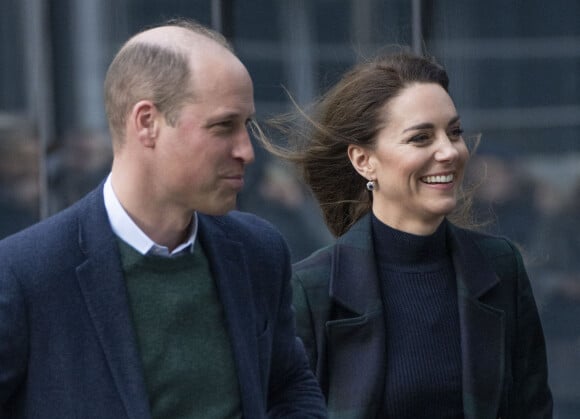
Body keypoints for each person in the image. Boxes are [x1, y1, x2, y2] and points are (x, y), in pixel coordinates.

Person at [0, 19, 327, 418]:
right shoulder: (26, 273)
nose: (246, 150)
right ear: (147, 123)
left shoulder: (258, 250)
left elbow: (290, 387)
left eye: (247, 125)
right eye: (224, 126)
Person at [267, 50, 553, 418]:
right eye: (421, 138)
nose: (448, 151)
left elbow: (532, 409)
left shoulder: (500, 267)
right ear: (363, 160)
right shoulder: (313, 289)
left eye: (454, 132)